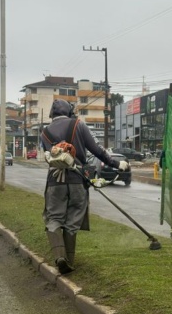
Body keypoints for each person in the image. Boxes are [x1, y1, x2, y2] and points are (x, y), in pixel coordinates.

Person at [39, 99, 129, 274]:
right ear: (70, 112)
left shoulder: (45, 132)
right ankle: (69, 262)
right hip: (77, 179)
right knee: (73, 221)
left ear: (52, 114)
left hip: (55, 181)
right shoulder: (78, 125)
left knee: (54, 218)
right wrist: (117, 164)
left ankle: (59, 256)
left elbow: (48, 156)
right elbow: (97, 150)